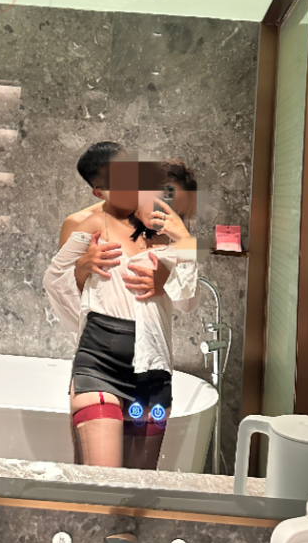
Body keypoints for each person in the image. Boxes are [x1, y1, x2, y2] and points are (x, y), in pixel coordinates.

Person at [43, 151, 199, 471]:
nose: (163, 212)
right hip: (98, 365)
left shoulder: (175, 245)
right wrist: (81, 269)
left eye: (175, 211)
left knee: (138, 485)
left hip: (152, 370)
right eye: (160, 199)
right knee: (103, 480)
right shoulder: (93, 225)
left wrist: (180, 249)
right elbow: (56, 284)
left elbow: (187, 301)